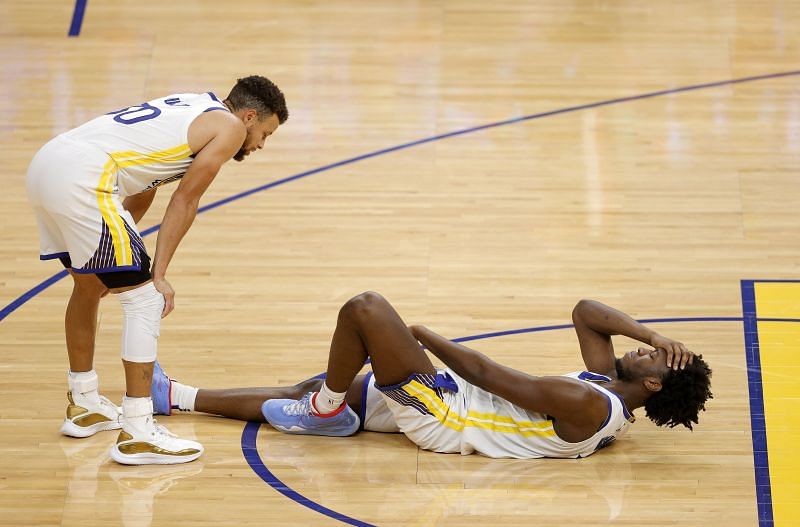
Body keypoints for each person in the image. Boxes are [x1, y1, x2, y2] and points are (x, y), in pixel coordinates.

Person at [26, 75, 289, 465]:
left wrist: (115, 264)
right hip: (85, 178)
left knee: (88, 287)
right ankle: (138, 430)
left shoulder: (189, 104)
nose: (261, 145)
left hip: (48, 165)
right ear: (249, 117)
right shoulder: (230, 128)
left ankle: (84, 403)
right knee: (146, 301)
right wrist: (157, 275)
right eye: (265, 133)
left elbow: (142, 185)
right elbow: (186, 199)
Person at [152, 292, 712, 459]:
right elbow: (587, 311)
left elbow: (490, 374)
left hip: (445, 415)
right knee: (314, 385)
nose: (649, 351)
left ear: (657, 385)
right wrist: (653, 337)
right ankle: (174, 396)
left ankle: (325, 413)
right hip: (455, 400)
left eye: (657, 358)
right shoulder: (605, 388)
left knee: (365, 310)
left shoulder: (589, 406)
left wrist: (422, 334)